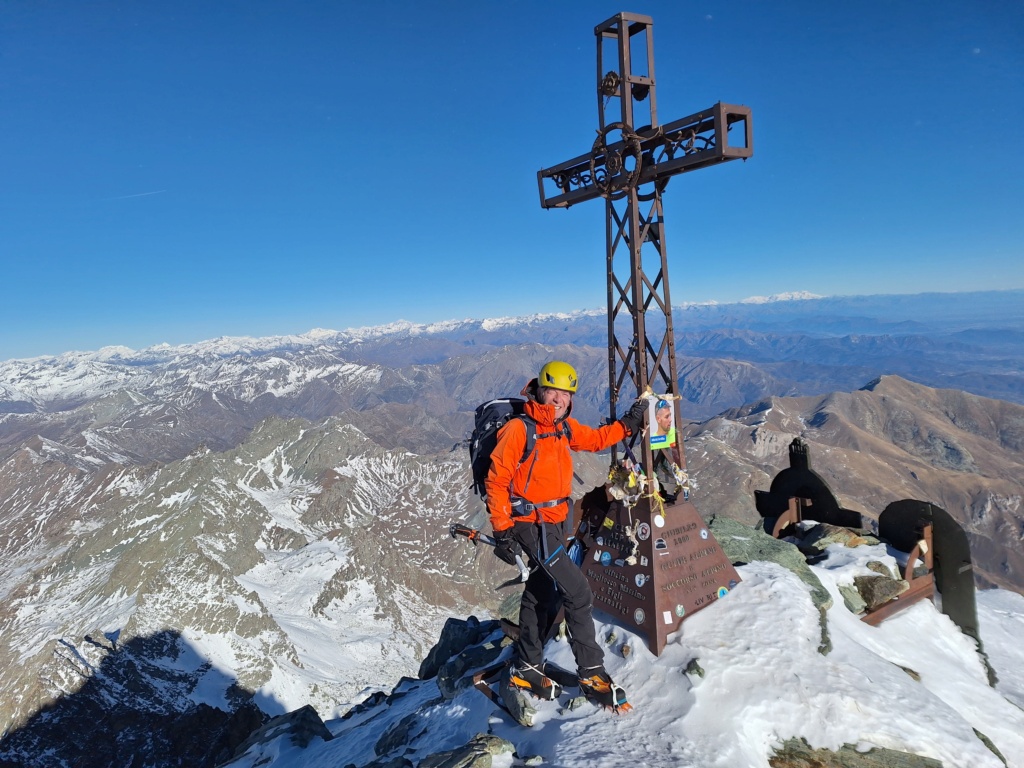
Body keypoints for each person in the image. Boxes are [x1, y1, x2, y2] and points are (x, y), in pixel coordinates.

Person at [486, 360, 645, 703]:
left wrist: (629, 423)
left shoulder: (562, 428)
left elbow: (597, 439)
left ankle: (528, 664)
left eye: (565, 393)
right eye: (552, 391)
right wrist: (502, 531)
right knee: (577, 592)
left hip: (557, 521)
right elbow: (496, 480)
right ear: (539, 391)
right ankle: (592, 674)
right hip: (532, 525)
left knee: (539, 591)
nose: (557, 399)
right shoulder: (519, 430)